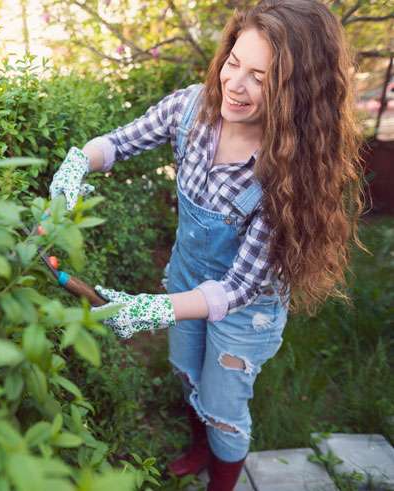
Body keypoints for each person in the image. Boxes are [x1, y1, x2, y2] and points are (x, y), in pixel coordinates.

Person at [48, 1, 365, 489]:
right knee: (187, 372)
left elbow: (237, 288)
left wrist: (153, 310)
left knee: (224, 406)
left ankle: (222, 476)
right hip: (187, 278)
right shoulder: (191, 109)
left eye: (260, 77)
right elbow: (117, 144)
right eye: (234, 63)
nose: (234, 85)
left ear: (294, 92)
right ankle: (200, 446)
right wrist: (78, 162)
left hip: (244, 312)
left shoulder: (288, 173)